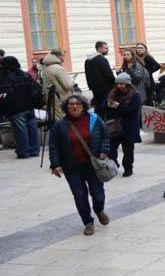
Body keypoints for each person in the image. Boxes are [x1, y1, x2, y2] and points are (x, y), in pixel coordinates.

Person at [48, 94, 112, 235]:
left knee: (98, 194)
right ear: (66, 107)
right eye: (71, 104)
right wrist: (55, 164)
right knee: (79, 195)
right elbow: (54, 146)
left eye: (77, 103)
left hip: (93, 165)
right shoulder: (60, 126)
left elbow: (105, 135)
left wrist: (104, 151)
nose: (74, 106)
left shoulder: (94, 120)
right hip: (72, 167)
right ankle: (88, 222)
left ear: (83, 106)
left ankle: (99, 210)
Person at [0, 56, 43, 158]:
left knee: (20, 130)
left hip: (16, 109)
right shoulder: (25, 75)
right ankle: (35, 150)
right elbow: (37, 89)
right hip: (29, 107)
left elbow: (6, 95)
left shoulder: (7, 78)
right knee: (32, 128)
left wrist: (4, 109)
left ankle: (24, 152)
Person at [105, 72, 142, 177]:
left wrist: (119, 106)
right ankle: (114, 164)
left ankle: (128, 168)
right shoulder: (112, 94)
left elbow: (132, 112)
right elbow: (108, 111)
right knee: (111, 149)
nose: (119, 86)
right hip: (114, 126)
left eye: (122, 84)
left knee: (128, 150)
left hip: (129, 126)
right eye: (118, 84)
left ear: (127, 84)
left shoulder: (135, 95)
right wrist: (115, 108)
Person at [40, 49, 74, 120]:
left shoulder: (46, 68)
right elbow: (68, 85)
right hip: (61, 99)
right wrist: (72, 81)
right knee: (63, 121)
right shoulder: (58, 68)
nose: (64, 58)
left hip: (51, 98)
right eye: (63, 56)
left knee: (55, 119)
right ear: (58, 56)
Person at [85, 41, 115, 117]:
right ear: (99, 48)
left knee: (97, 106)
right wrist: (114, 83)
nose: (107, 50)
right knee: (105, 107)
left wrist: (91, 86)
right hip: (105, 88)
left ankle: (97, 122)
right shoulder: (102, 60)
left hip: (95, 88)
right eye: (106, 48)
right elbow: (109, 75)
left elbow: (87, 75)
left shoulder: (88, 60)